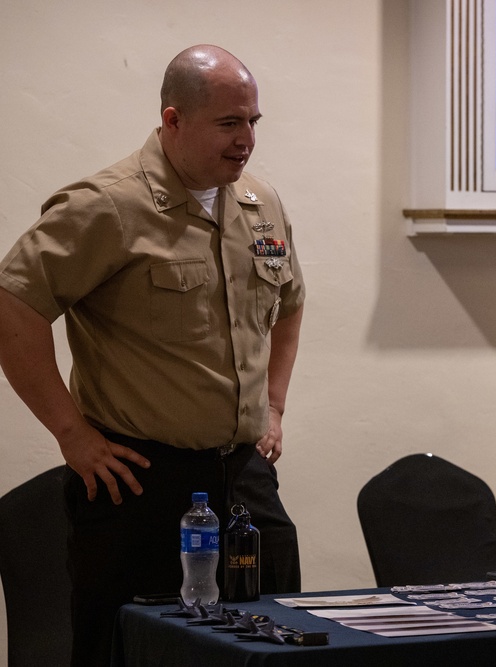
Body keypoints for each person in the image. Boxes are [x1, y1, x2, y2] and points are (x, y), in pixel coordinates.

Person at [0, 45, 304, 665]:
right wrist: (71, 435)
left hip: (242, 476)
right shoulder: (106, 206)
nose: (245, 139)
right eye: (228, 123)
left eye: (252, 122)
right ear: (172, 120)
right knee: (126, 650)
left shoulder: (260, 204)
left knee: (271, 640)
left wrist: (273, 403)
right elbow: (14, 307)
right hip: (138, 483)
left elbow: (291, 300)